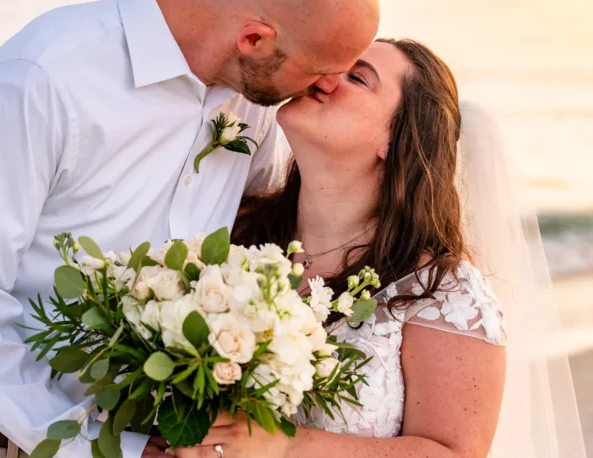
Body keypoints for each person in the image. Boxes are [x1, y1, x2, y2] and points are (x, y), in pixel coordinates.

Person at [0, 0, 380, 458]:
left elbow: (284, 218)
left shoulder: (251, 100)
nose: (327, 88)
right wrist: (100, 449)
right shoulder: (41, 79)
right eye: (321, 72)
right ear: (254, 39)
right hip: (5, 445)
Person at [178, 38, 585, 458]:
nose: (325, 76)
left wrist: (286, 448)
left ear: (394, 140)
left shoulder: (443, 293)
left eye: (357, 77)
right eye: (333, 61)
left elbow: (455, 453)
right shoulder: (231, 237)